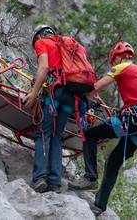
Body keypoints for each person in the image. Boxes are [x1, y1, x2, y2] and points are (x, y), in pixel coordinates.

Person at [69, 41, 137, 216]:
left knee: (90, 135)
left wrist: (79, 97)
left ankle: (90, 177)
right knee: (113, 162)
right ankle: (99, 205)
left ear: (119, 57)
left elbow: (96, 87)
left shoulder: (123, 67)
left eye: (114, 61)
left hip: (134, 118)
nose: (114, 64)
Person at [24, 25, 93, 193]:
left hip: (55, 94)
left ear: (39, 36)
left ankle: (40, 178)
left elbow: (44, 67)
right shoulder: (69, 47)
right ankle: (54, 182)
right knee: (56, 136)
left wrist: (33, 93)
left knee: (43, 133)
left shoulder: (43, 43)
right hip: (72, 98)